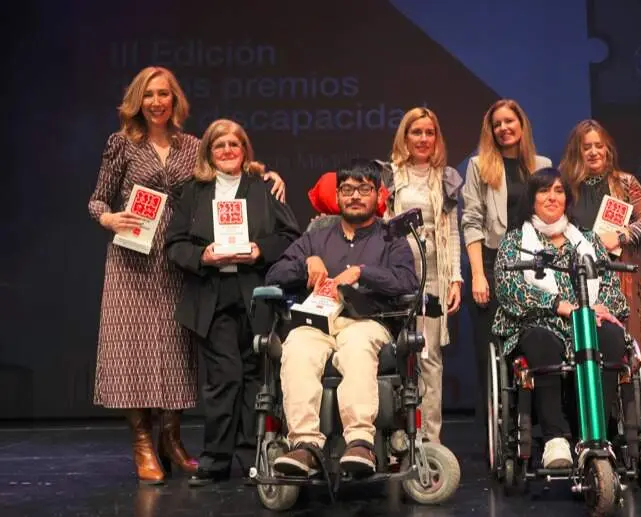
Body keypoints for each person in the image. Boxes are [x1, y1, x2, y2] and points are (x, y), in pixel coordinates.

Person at [87, 66, 286, 484]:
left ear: (176, 101)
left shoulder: (191, 146)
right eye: (149, 95)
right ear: (137, 101)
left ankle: (172, 439)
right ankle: (143, 442)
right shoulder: (120, 144)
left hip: (182, 264)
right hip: (134, 259)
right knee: (132, 354)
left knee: (176, 354)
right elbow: (97, 200)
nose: (157, 102)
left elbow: (228, 167)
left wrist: (267, 174)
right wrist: (108, 219)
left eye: (165, 95)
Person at [165, 119, 300, 485]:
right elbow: (174, 244)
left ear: (244, 150)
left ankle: (253, 457)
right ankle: (216, 458)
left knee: (256, 377)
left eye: (233, 145)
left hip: (255, 293)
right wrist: (203, 256)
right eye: (219, 145)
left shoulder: (264, 187)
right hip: (212, 295)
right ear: (208, 151)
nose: (226, 151)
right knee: (225, 377)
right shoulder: (193, 191)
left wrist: (260, 250)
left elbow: (291, 236)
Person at [264, 159, 419, 477]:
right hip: (318, 322)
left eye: (364, 189)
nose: (355, 196)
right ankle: (304, 446)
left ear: (378, 195)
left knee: (357, 346)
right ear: (337, 196)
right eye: (347, 189)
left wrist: (364, 272)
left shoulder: (392, 239)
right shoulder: (316, 239)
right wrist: (307, 262)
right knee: (297, 347)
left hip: (365, 321)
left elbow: (407, 282)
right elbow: (274, 274)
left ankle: (360, 442)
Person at [492, 168, 630, 468]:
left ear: (567, 199)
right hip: (538, 323)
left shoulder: (588, 240)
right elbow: (508, 288)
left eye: (558, 190)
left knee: (611, 337)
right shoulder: (515, 241)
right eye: (544, 191)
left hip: (587, 322)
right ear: (532, 199)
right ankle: (556, 439)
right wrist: (558, 305)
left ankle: (596, 433)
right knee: (542, 339)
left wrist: (599, 307)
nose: (552, 197)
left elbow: (609, 285)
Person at [460, 99, 552, 453]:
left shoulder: (542, 166)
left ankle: (541, 434)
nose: (504, 128)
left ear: (521, 125)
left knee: (535, 349)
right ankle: (497, 440)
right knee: (491, 356)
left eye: (509, 121)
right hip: (493, 262)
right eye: (497, 123)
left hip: (535, 265)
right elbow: (470, 222)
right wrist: (478, 276)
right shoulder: (479, 166)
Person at [381, 108, 463, 443]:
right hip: (395, 279)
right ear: (405, 136)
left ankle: (430, 440)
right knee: (397, 356)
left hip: (433, 279)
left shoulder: (446, 178)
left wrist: (455, 278)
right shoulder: (388, 176)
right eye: (417, 132)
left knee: (429, 359)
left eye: (430, 132)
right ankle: (399, 436)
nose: (424, 139)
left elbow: (453, 232)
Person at [560, 119, 641, 367]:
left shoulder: (625, 183)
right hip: (580, 276)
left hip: (620, 272)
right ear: (577, 152)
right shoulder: (565, 188)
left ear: (607, 150)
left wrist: (621, 236)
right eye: (586, 147)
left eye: (598, 146)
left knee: (624, 348)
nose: (593, 152)